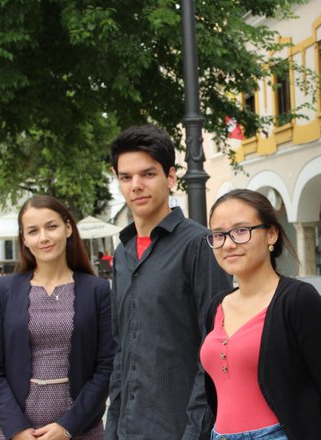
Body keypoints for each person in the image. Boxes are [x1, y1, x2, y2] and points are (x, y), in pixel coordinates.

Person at [106, 125, 233, 439]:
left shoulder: (199, 246)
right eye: (126, 177)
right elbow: (121, 349)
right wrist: (113, 426)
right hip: (128, 427)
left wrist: (195, 431)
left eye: (148, 174)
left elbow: (216, 346)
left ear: (171, 177)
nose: (136, 185)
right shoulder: (122, 254)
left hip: (178, 428)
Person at [201, 189, 321, 440]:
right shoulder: (217, 306)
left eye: (241, 231)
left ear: (272, 234)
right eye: (218, 235)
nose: (229, 244)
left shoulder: (298, 300)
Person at [0, 195, 115, 440]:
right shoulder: (4, 290)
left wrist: (67, 426)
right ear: (24, 239)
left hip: (81, 429)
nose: (43, 237)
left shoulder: (98, 290)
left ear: (68, 228)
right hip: (18, 433)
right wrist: (17, 429)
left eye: (51, 226)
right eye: (33, 231)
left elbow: (106, 366)